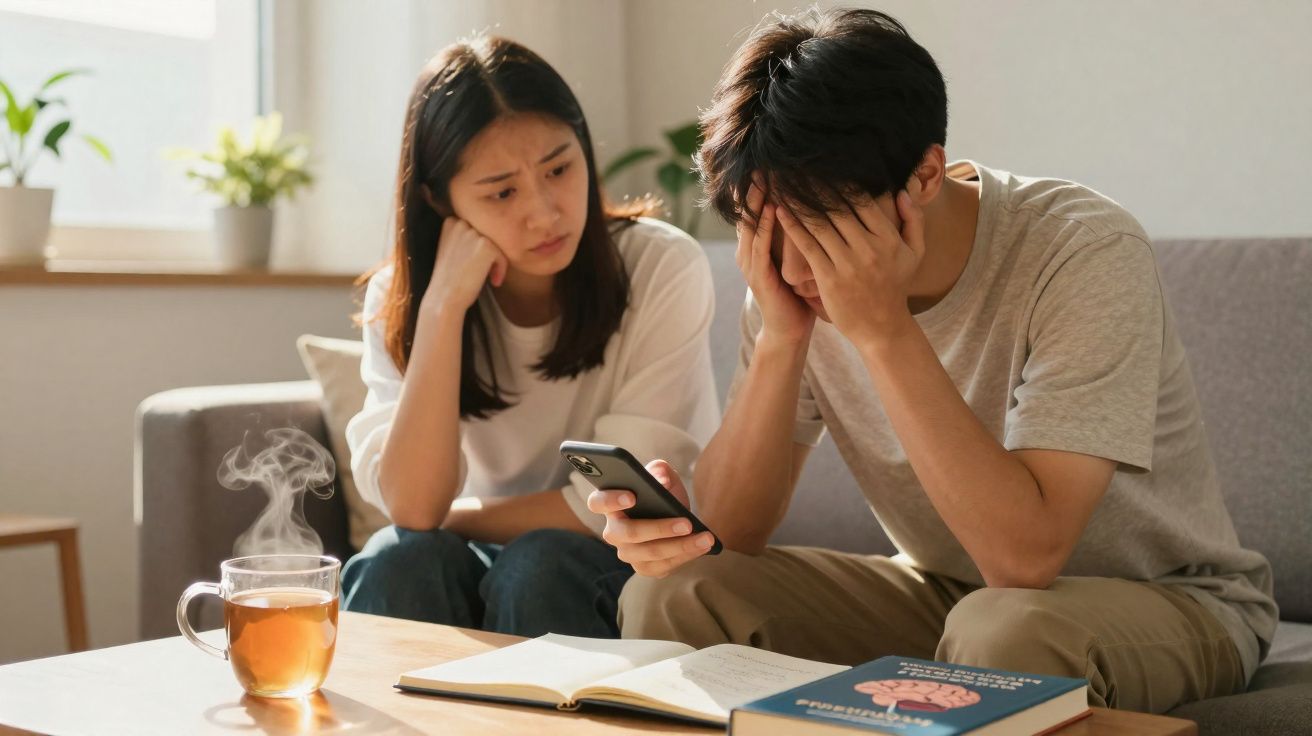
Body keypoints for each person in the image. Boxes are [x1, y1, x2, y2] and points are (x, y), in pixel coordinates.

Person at [589, 8, 1276, 713]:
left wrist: (884, 331)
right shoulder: (788, 279)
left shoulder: (1081, 251)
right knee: (676, 591)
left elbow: (1023, 560)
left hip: (1167, 601)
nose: (793, 266)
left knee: (1003, 634)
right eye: (767, 229)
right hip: (950, 595)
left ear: (923, 177)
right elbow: (731, 537)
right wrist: (780, 341)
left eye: (822, 228)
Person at [342, 35, 719, 638]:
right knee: (398, 561)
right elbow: (414, 508)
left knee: (538, 564)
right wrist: (441, 309)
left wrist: (453, 519)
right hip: (471, 558)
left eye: (559, 169)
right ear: (440, 201)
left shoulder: (659, 267)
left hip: (616, 562)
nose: (545, 212)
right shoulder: (407, 297)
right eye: (502, 192)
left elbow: (624, 505)